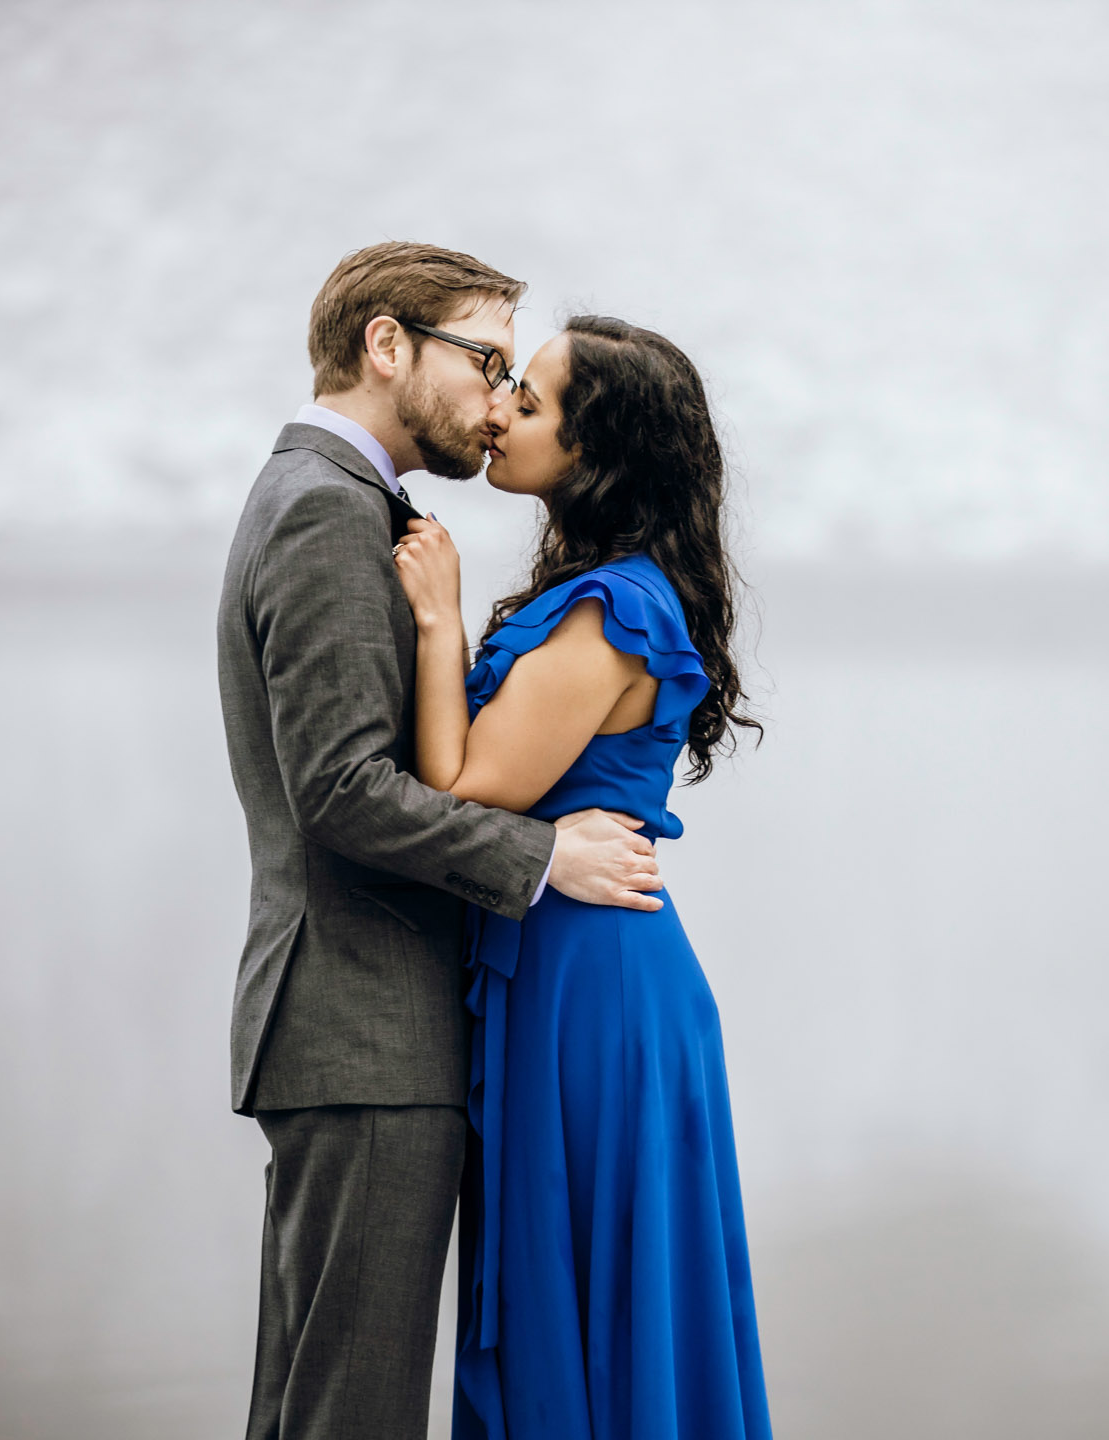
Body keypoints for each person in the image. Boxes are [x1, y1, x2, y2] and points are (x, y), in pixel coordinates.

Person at [216, 243, 667, 1440]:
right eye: (485, 360)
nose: (495, 398)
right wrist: (543, 859)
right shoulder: (324, 511)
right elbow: (344, 791)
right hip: (362, 1032)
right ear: (387, 346)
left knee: (315, 1404)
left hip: (361, 1032)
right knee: (348, 1413)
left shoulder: (336, 500)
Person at [391, 314, 772, 1439]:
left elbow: (465, 785)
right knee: (578, 1290)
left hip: (591, 988)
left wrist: (433, 622)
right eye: (505, 382)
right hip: (565, 962)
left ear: (600, 452)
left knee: (592, 1296)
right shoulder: (602, 589)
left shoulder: (617, 610)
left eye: (532, 400)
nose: (498, 409)